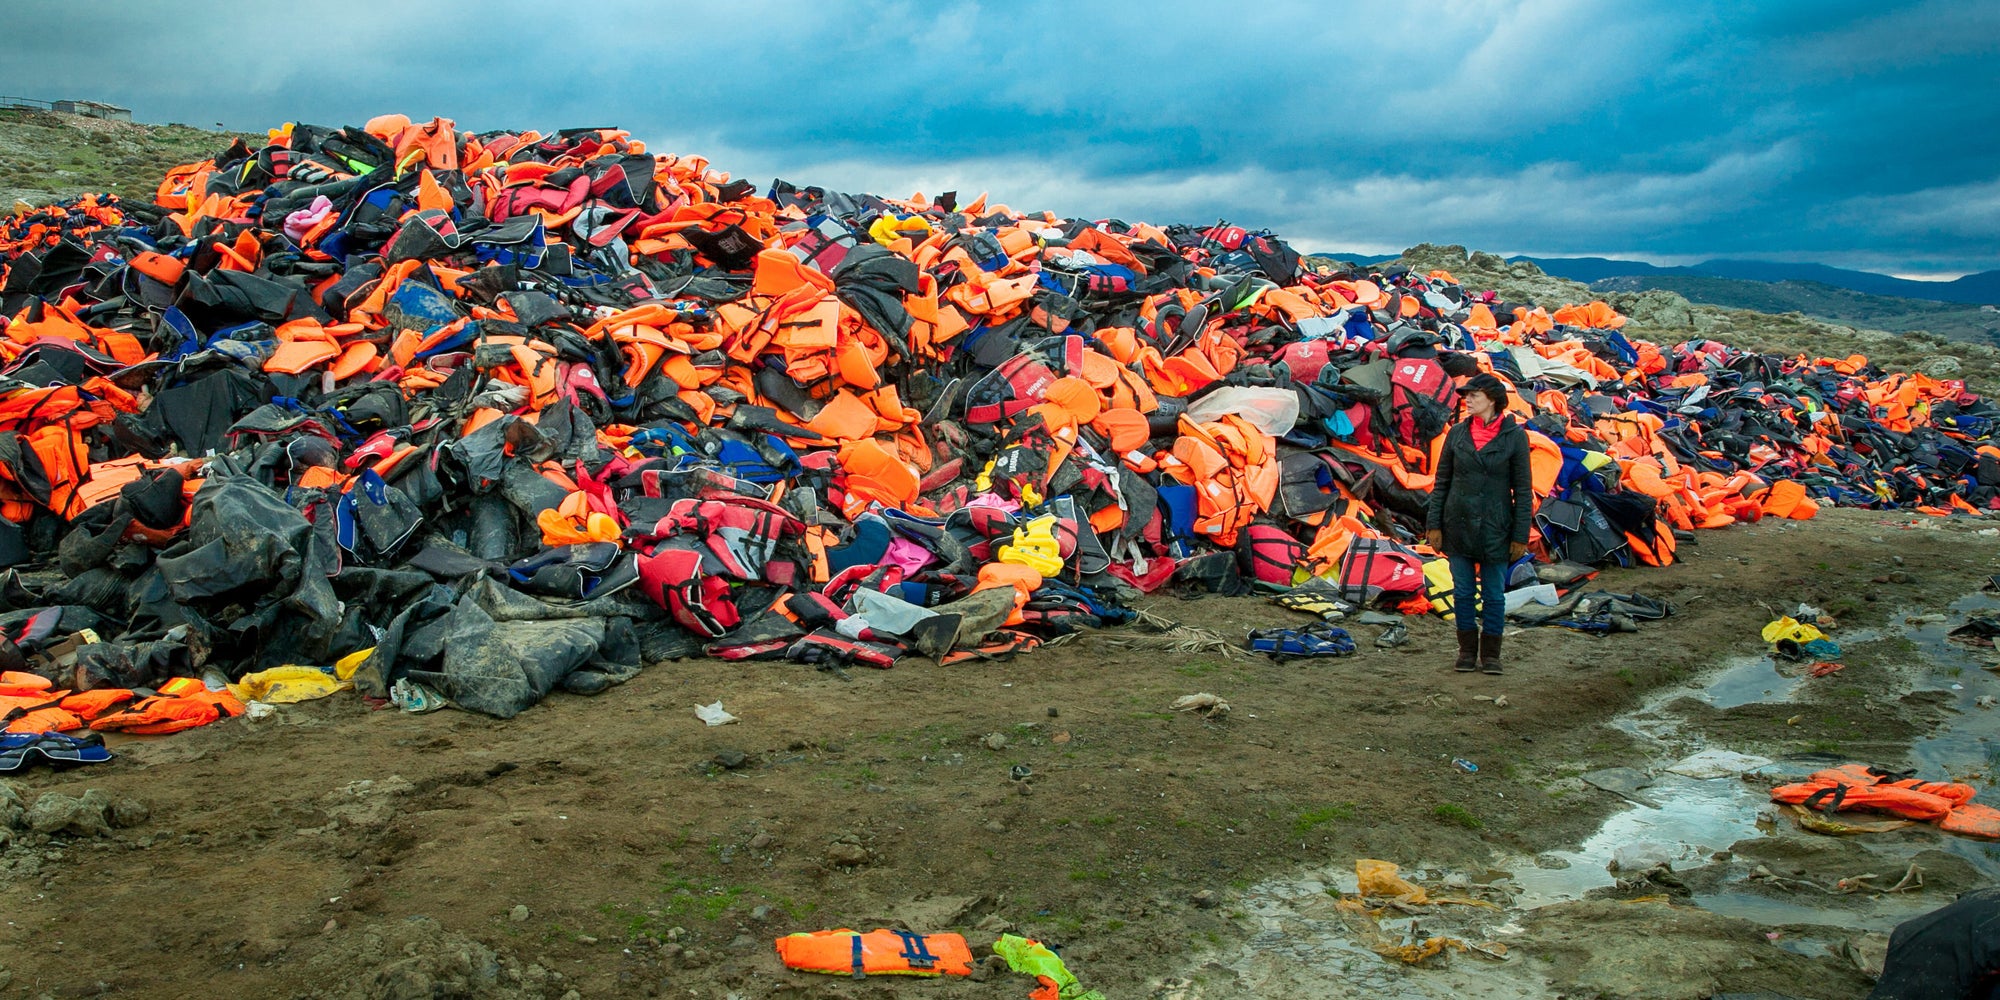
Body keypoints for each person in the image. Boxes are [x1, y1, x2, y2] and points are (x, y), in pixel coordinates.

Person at [1424, 372, 1532, 674]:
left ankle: (1492, 656)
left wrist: (1520, 535)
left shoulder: (1514, 436)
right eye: (1466, 395)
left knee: (1494, 595)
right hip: (1457, 522)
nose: (1467, 399)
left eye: (1474, 394)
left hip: (1496, 526)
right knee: (1462, 592)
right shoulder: (1457, 434)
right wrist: (1434, 524)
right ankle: (1467, 652)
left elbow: (1523, 490)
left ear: (1493, 400)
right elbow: (1441, 481)